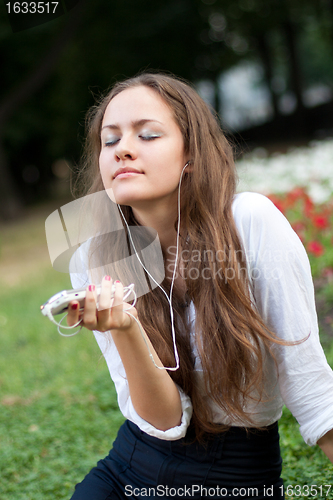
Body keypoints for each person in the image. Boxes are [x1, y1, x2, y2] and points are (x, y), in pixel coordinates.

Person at [66, 72, 333, 499]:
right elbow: (164, 421)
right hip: (131, 464)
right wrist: (126, 327)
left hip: (235, 475)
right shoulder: (94, 259)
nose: (124, 150)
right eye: (110, 140)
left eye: (148, 134)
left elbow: (313, 391)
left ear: (191, 153)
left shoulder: (248, 223)